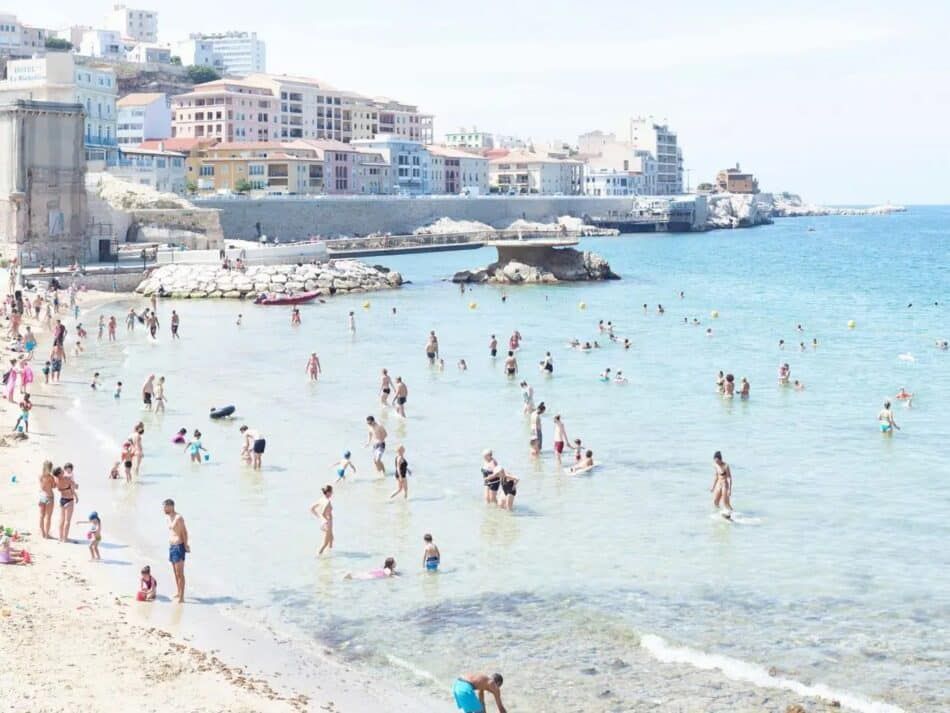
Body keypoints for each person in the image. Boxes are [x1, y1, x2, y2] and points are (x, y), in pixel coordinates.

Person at [164, 499, 189, 603]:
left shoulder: (179, 518)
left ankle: (182, 597)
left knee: (180, 573)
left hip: (179, 546)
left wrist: (186, 545)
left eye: (165, 507)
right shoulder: (168, 517)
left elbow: (184, 532)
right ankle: (178, 592)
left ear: (171, 506)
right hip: (172, 546)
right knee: (175, 572)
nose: (163, 509)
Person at [54, 464, 79, 543]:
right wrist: (76, 494)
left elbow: (57, 487)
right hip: (69, 500)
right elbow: (75, 486)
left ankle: (60, 537)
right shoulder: (66, 478)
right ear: (59, 473)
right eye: (62, 471)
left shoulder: (56, 480)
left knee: (61, 520)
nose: (63, 471)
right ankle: (65, 538)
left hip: (62, 500)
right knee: (67, 521)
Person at [310, 485, 334, 555]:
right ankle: (318, 556)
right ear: (328, 493)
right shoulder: (327, 502)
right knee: (325, 543)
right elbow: (323, 513)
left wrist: (319, 518)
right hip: (327, 523)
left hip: (324, 523)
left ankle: (329, 554)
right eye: (331, 492)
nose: (332, 493)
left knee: (331, 539)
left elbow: (311, 508)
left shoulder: (321, 499)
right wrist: (325, 520)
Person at [710, 451, 733, 518]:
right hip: (719, 484)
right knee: (715, 501)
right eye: (715, 461)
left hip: (725, 484)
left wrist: (729, 490)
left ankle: (731, 514)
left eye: (717, 461)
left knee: (725, 502)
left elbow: (729, 478)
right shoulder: (715, 465)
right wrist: (713, 487)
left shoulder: (726, 466)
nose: (716, 462)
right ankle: (720, 513)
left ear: (720, 459)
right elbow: (716, 476)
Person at [38, 460, 55, 539]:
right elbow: (53, 486)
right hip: (49, 496)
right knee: (48, 517)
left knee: (41, 516)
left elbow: (42, 487)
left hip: (41, 496)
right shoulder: (50, 477)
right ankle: (47, 535)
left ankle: (43, 533)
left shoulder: (40, 476)